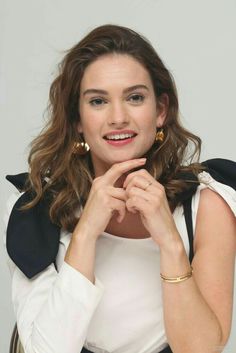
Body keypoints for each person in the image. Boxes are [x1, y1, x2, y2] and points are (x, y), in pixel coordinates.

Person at [4, 24, 236, 353]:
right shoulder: (35, 206)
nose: (118, 117)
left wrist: (170, 241)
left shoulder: (208, 203)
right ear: (77, 120)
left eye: (135, 97)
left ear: (161, 110)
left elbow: (200, 349)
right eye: (98, 101)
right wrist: (86, 232)